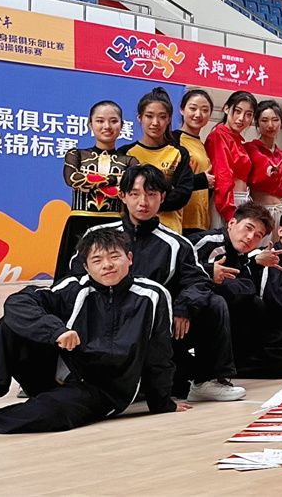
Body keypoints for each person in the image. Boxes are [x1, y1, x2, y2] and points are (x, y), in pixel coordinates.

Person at [0, 229, 185, 441]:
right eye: (97, 260)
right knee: (9, 325)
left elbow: (159, 353)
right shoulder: (73, 288)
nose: (107, 265)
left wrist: (162, 403)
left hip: (103, 391)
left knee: (55, 414)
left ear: (130, 259)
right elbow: (18, 303)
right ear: (86, 267)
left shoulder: (153, 296)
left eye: (114, 257)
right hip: (57, 373)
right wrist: (57, 330)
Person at [66, 165, 244, 402]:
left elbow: (198, 282)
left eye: (151, 194)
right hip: (106, 328)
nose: (143, 202)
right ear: (122, 196)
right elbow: (74, 281)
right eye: (135, 194)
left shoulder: (177, 243)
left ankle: (208, 380)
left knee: (214, 303)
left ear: (162, 197)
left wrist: (183, 307)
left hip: (156, 332)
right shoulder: (98, 237)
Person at [192, 205, 282, 379]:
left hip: (271, 347)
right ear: (281, 231)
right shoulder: (255, 256)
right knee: (251, 302)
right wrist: (256, 262)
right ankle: (217, 367)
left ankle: (225, 366)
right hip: (241, 336)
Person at [54, 100, 139, 279]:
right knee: (74, 274)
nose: (107, 126)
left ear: (122, 125)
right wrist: (113, 179)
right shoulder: (75, 154)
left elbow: (129, 187)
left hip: (116, 224)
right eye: (100, 121)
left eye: (113, 121)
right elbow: (72, 179)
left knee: (113, 272)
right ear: (90, 125)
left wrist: (91, 180)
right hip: (79, 223)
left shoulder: (130, 160)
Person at [119, 88, 194, 234]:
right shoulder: (125, 153)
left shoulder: (179, 153)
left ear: (169, 119)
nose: (155, 122)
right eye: (149, 116)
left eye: (162, 117)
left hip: (169, 230)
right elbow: (123, 190)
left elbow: (182, 195)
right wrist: (164, 191)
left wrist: (144, 200)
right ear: (139, 117)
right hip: (132, 231)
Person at [246, 100, 282, 231]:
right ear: (257, 123)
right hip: (259, 212)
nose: (270, 125)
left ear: (281, 122)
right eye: (264, 120)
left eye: (275, 120)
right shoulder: (250, 149)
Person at [204, 90, 258, 226]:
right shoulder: (218, 136)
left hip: (240, 201)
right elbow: (223, 176)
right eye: (237, 111)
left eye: (248, 114)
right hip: (227, 203)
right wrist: (229, 213)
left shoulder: (237, 140)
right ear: (226, 109)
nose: (241, 118)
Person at [175, 89, 216, 236]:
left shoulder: (202, 145)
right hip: (180, 220)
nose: (198, 114)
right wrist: (201, 180)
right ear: (182, 109)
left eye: (205, 110)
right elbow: (171, 180)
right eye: (193, 108)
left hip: (200, 220)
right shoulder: (174, 140)